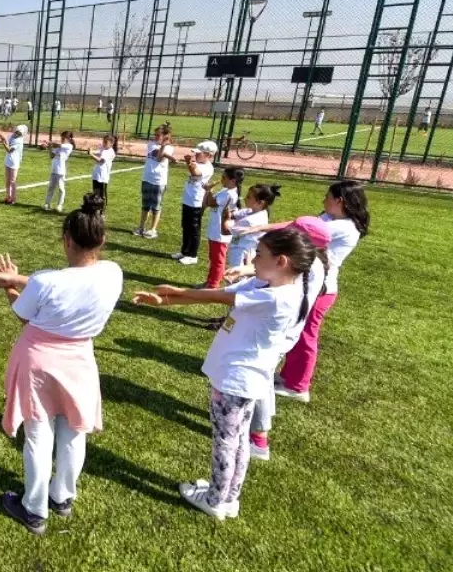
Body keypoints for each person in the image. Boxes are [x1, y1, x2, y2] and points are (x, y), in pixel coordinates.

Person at [133, 227, 322, 519]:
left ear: (281, 261)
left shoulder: (279, 298)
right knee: (238, 438)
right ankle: (228, 496)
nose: (254, 261)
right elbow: (219, 294)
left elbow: (219, 298)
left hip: (236, 378)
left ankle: (215, 499)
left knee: (226, 440)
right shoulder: (265, 285)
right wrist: (164, 301)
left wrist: (174, 291)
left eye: (259, 255)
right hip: (244, 377)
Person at [0, 195, 123, 534]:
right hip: (80, 360)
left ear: (66, 240)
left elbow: (24, 314)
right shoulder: (113, 273)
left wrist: (11, 286)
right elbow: (61, 284)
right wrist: (19, 280)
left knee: (38, 432)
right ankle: (62, 496)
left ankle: (33, 508)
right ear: (102, 240)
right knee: (74, 430)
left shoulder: (49, 281)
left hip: (39, 362)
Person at [222, 217, 330, 462]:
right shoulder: (311, 263)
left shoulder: (310, 268)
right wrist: (249, 269)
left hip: (277, 331)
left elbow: (274, 284)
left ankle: (259, 438)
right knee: (263, 379)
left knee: (258, 380)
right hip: (281, 330)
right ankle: (256, 424)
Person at [266, 180, 370, 403]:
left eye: (327, 196)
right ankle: (288, 377)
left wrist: (261, 228)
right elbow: (298, 224)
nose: (323, 200)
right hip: (309, 284)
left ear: (339, 201)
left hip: (321, 288)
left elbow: (297, 230)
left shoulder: (343, 227)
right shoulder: (330, 218)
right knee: (296, 328)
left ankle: (299, 386)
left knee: (306, 335)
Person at [173, 140, 217, 265]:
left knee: (194, 229)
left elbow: (195, 173)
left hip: (196, 202)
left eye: (199, 153)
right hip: (188, 200)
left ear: (209, 155)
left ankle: (193, 255)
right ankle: (185, 251)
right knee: (185, 227)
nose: (196, 155)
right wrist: (191, 163)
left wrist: (189, 163)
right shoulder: (197, 163)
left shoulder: (207, 167)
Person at [203, 167, 244, 289]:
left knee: (218, 260)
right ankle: (210, 281)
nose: (221, 179)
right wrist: (208, 191)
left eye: (224, 177)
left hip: (220, 234)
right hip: (215, 230)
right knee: (213, 258)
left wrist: (209, 190)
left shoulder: (229, 194)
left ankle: (213, 284)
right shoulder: (225, 190)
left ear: (233, 180)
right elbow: (208, 202)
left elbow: (211, 203)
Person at [225, 183, 282, 271]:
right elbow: (238, 214)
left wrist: (225, 217)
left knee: (236, 276)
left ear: (260, 202)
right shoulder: (259, 211)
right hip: (247, 250)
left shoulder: (249, 221)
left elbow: (225, 230)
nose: (244, 198)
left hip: (241, 253)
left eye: (248, 197)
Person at [133, 124, 176, 239]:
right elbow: (158, 156)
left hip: (159, 181)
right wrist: (170, 157)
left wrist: (165, 149)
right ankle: (141, 227)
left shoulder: (170, 148)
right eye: (155, 135)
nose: (155, 137)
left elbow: (160, 158)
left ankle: (153, 229)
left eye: (158, 135)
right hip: (147, 178)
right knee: (145, 205)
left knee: (156, 207)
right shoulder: (151, 144)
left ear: (164, 136)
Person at [43, 131, 75, 213]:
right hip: (54, 169)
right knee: (51, 188)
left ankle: (59, 205)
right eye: (61, 137)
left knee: (61, 188)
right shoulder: (59, 146)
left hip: (61, 171)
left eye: (63, 138)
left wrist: (50, 143)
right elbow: (51, 156)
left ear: (68, 139)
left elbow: (58, 145)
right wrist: (48, 147)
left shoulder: (69, 146)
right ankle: (47, 204)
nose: (62, 139)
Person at [0, 124, 27, 205]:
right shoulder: (12, 136)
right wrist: (4, 139)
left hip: (14, 163)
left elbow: (9, 150)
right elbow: (8, 142)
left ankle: (13, 198)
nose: (17, 133)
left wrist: (3, 141)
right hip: (8, 161)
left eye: (19, 133)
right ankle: (8, 197)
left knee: (12, 181)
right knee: (7, 180)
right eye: (17, 132)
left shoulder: (19, 141)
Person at [88, 135, 116, 208]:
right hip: (96, 175)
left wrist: (91, 154)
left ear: (111, 143)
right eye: (103, 141)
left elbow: (101, 161)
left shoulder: (110, 152)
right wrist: (91, 150)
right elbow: (98, 152)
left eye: (106, 142)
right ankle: (95, 209)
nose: (103, 143)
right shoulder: (103, 148)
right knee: (95, 193)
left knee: (102, 195)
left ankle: (102, 211)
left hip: (103, 177)